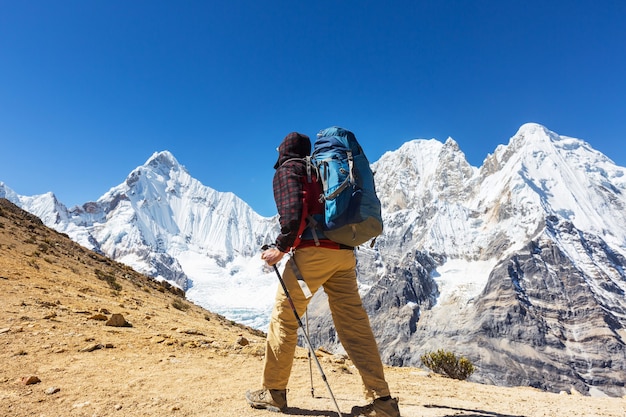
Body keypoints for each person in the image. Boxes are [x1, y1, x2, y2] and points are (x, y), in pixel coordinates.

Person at [245, 131, 401, 417]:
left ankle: (273, 392)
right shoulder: (321, 170)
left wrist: (279, 249)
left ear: (283, 150)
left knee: (285, 316)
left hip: (312, 257)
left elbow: (293, 214)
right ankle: (382, 401)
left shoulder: (289, 169)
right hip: (343, 255)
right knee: (354, 325)